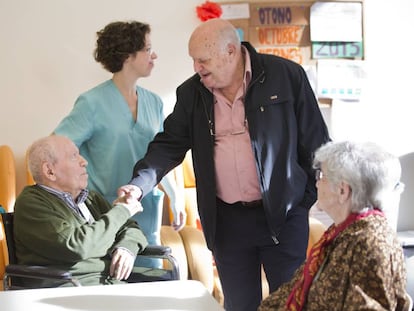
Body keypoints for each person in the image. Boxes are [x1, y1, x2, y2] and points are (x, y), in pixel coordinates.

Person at [118, 18, 330, 311]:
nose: (197, 68)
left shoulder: (286, 76)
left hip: (283, 216)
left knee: (291, 304)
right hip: (228, 222)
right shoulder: (192, 93)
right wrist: (139, 184)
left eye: (202, 60)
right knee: (239, 305)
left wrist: (304, 201)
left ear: (231, 51)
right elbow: (169, 144)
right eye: (193, 60)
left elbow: (317, 144)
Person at [53, 21, 186, 267]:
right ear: (128, 56)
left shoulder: (154, 102)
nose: (154, 55)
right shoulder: (91, 103)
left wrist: (175, 195)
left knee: (147, 283)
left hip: (146, 209)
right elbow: (56, 149)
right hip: (104, 213)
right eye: (147, 49)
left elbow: (159, 154)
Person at [258, 140, 411, 311]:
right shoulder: (342, 230)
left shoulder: (371, 244)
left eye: (321, 176)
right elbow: (294, 289)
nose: (316, 183)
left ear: (342, 191)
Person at [14, 135, 149, 287]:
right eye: (73, 156)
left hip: (109, 280)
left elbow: (130, 227)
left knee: (170, 284)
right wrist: (122, 210)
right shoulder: (31, 203)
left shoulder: (90, 198)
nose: (84, 161)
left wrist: (126, 246)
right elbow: (77, 246)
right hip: (74, 285)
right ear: (49, 171)